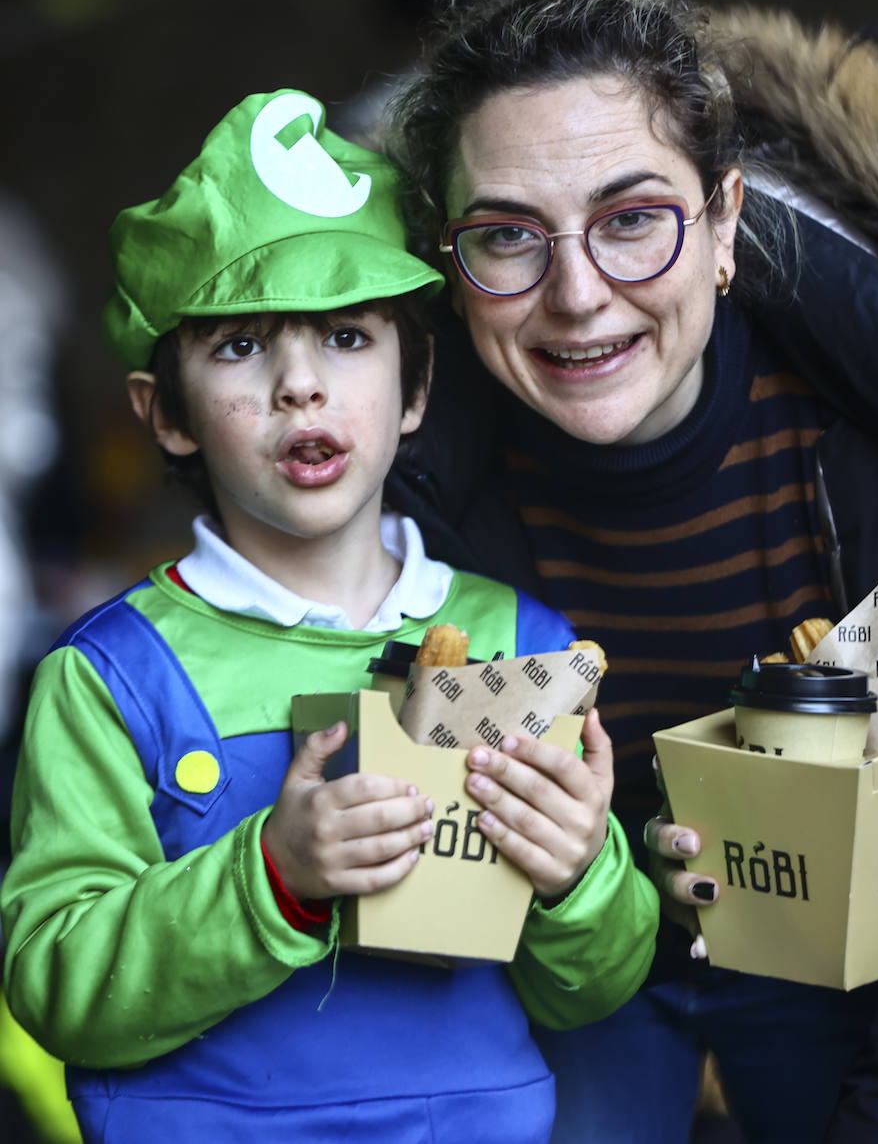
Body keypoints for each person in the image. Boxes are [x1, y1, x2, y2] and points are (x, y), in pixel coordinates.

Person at [0, 89, 660, 1143]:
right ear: (162, 414)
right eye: (239, 349)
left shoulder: (519, 643)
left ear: (414, 389)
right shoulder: (112, 678)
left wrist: (579, 875)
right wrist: (273, 874)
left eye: (348, 336)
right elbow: (56, 982)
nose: (301, 385)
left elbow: (590, 993)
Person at [382, 0, 878, 1143]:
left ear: (727, 221)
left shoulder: (862, 451)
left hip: (865, 987)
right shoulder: (403, 501)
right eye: (510, 237)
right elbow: (426, 936)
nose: (578, 294)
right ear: (448, 265)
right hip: (560, 978)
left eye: (633, 220)